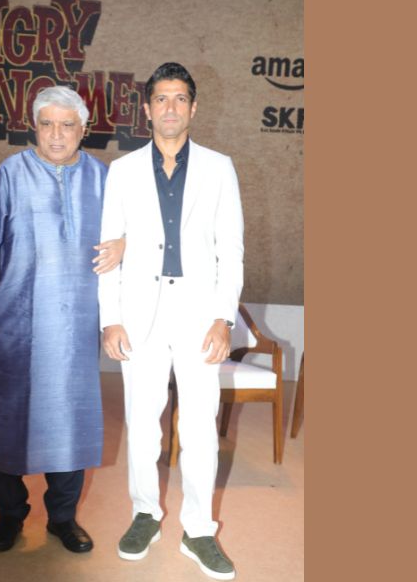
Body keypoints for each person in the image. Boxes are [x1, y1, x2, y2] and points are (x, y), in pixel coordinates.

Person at [98, 62, 244, 580]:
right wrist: (110, 320)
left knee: (200, 425)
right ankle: (145, 514)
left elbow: (231, 250)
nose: (170, 108)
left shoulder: (220, 168)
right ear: (147, 108)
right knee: (142, 423)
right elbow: (107, 252)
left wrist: (224, 318)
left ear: (194, 108)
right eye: (161, 98)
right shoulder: (122, 171)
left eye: (180, 98)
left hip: (199, 316)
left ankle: (199, 530)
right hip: (140, 316)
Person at [0, 85, 124, 554]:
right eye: (47, 124)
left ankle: (62, 519)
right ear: (34, 127)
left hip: (76, 331)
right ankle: (9, 516)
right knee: (11, 420)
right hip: (16, 328)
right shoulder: (11, 175)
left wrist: (128, 245)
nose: (56, 135)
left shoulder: (103, 180)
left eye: (67, 125)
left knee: (69, 422)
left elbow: (127, 240)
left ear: (83, 129)